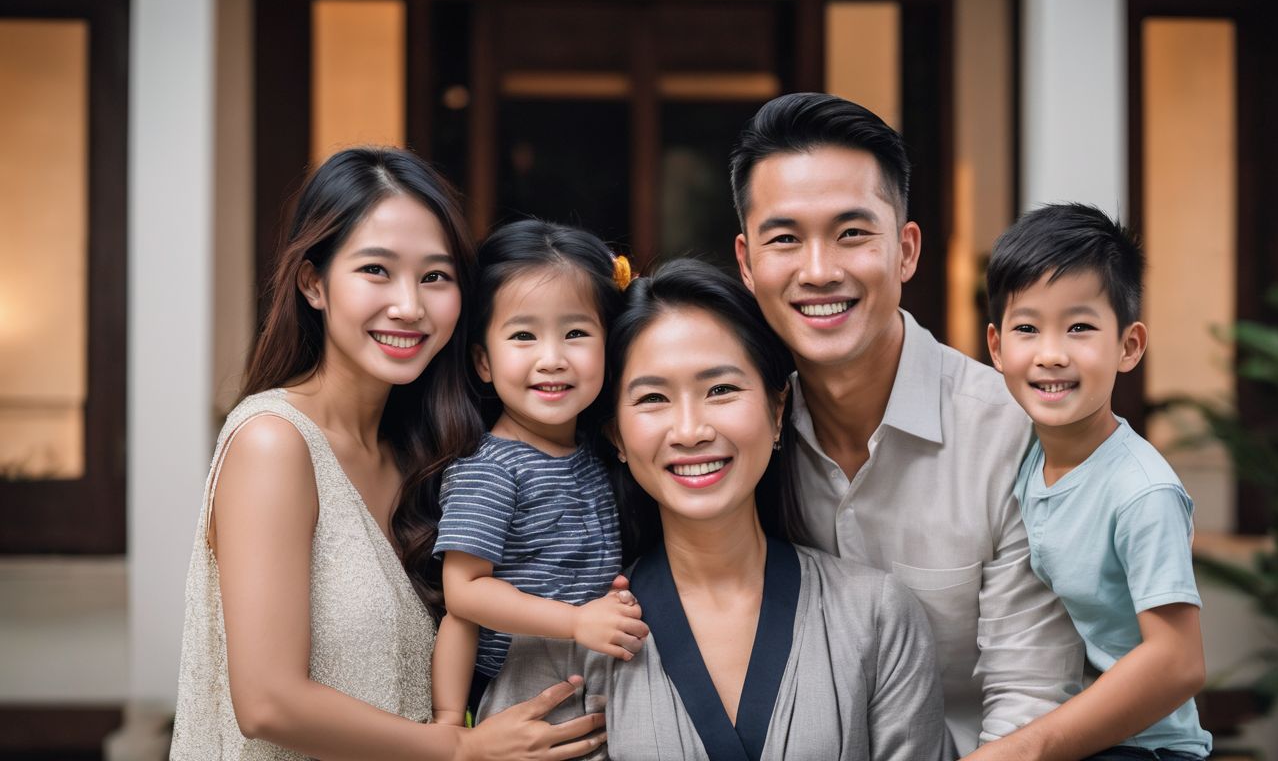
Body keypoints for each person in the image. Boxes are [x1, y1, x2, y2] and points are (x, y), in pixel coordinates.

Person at [171, 147, 607, 760]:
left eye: (435, 276)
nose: (409, 305)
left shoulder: (425, 453)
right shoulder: (274, 442)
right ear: (313, 282)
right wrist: (460, 748)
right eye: (376, 270)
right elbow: (267, 700)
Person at [476, 259, 951, 761]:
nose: (690, 430)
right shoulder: (566, 632)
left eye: (720, 390)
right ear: (615, 433)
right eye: (653, 397)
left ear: (777, 409)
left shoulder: (877, 616)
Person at [729, 92, 1084, 754]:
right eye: (785, 239)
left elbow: (1029, 699)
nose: (818, 270)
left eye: (852, 233)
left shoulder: (1014, 435)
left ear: (906, 250)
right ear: (748, 263)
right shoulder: (734, 436)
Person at [968, 203, 1211, 761]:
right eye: (1027, 328)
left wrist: (1025, 750)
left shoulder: (1141, 491)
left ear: (1128, 346)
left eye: (1080, 327)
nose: (1051, 354)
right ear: (997, 347)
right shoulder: (1027, 454)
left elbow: (1179, 662)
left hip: (1147, 748)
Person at [431, 220, 647, 726]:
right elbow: (463, 594)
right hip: (520, 686)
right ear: (483, 361)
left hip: (597, 676)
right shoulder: (491, 469)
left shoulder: (604, 452)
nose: (552, 359)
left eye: (575, 333)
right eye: (523, 336)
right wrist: (447, 724)